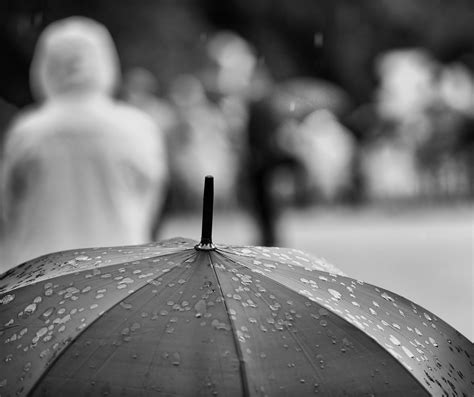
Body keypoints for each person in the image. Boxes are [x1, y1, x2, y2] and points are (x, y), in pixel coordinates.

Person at [0, 17, 168, 271]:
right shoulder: (139, 127)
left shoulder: (27, 131)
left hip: (37, 273)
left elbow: (8, 208)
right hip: (120, 267)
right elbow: (151, 202)